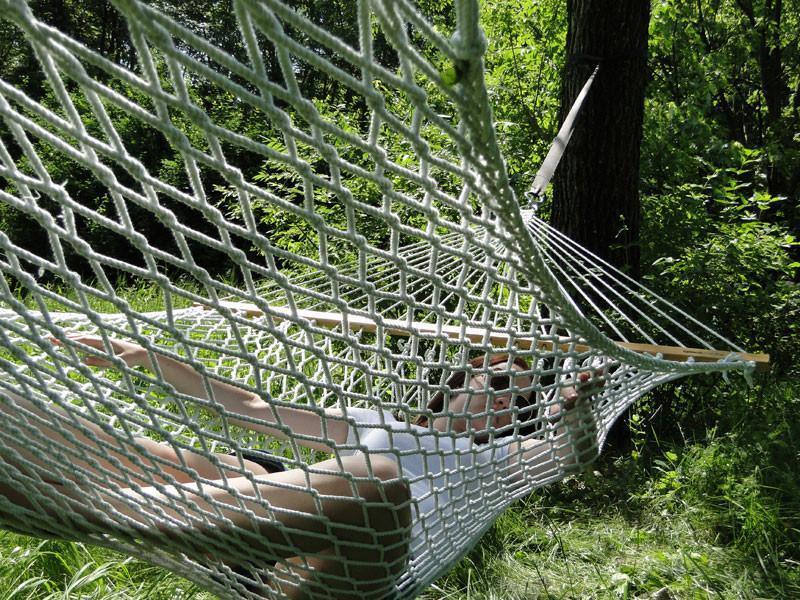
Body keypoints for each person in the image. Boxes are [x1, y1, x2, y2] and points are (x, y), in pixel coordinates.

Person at [0, 336, 603, 599]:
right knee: (212, 461)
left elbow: (570, 456)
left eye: (520, 401)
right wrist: (150, 357)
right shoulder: (379, 422)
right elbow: (251, 408)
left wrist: (576, 415)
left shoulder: (499, 461)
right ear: (459, 380)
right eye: (496, 381)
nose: (504, 399)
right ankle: (22, 443)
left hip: (347, 569)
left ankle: (80, 512)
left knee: (379, 486)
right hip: (255, 526)